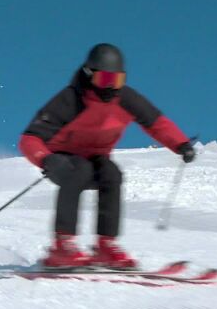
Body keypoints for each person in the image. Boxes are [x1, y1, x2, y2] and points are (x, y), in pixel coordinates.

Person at [18, 44, 196, 269]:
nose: (112, 87)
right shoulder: (71, 100)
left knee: (112, 174)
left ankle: (105, 245)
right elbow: (30, 138)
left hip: (96, 157)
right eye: (105, 80)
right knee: (78, 170)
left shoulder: (126, 99)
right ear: (89, 75)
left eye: (118, 80)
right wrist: (46, 159)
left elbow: (156, 123)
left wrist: (180, 144)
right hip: (63, 159)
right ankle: (62, 246)